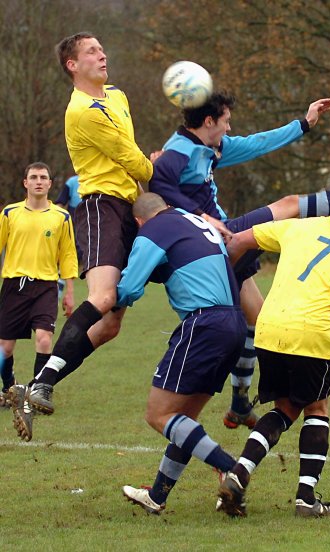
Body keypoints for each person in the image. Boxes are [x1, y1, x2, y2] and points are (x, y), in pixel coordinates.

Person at [150, 90, 330, 429]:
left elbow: (259, 143)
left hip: (224, 245)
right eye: (227, 121)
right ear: (209, 121)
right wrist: (202, 215)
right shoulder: (179, 152)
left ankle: (240, 403)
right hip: (215, 241)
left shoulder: (213, 148)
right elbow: (157, 184)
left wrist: (303, 123)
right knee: (289, 204)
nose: (231, 129)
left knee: (259, 321)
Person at [9, 32, 154, 441]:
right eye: (91, 51)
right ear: (72, 65)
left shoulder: (118, 96)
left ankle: (35, 385)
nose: (102, 53)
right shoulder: (83, 110)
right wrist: (171, 171)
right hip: (99, 207)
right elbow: (131, 159)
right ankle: (41, 383)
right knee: (104, 296)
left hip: (127, 208)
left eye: (102, 48)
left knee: (110, 326)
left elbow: (132, 153)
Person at [217, 183, 330, 518]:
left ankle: (239, 473)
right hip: (311, 333)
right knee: (316, 408)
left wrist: (225, 282)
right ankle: (306, 498)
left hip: (270, 328)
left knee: (285, 409)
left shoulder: (297, 226)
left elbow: (238, 241)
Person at [117, 193, 247, 514]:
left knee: (158, 415)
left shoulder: (153, 229)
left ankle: (231, 469)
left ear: (139, 222)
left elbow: (129, 289)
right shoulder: (194, 221)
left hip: (204, 323)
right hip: (234, 322)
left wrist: (106, 294)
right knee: (184, 421)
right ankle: (157, 496)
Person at [0, 163, 77, 413]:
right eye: (33, 177)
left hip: (46, 287)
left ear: (50, 184)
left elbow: (67, 255)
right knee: (5, 348)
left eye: (43, 177)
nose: (38, 181)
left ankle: (36, 394)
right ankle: (8, 387)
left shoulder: (61, 217)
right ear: (25, 183)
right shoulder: (9, 214)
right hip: (14, 286)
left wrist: (70, 292)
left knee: (44, 339)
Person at [55, 174, 82, 294]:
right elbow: (60, 203)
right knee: (67, 254)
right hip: (74, 224)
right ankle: (59, 285)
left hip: (92, 224)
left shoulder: (99, 180)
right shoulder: (72, 182)